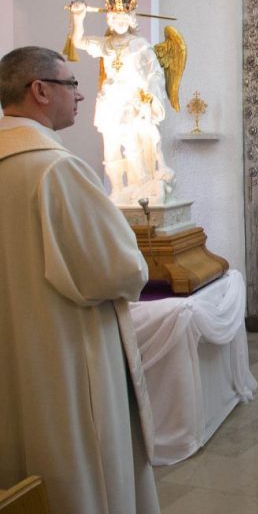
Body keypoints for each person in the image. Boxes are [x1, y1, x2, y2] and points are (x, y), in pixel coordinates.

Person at [0, 46, 159, 513]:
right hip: (66, 361)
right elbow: (121, 270)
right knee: (83, 474)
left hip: (13, 360)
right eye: (71, 84)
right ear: (40, 90)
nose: (80, 95)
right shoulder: (56, 168)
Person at [69, 0, 180, 206]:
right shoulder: (106, 44)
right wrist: (78, 17)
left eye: (123, 19)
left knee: (133, 142)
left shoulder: (140, 45)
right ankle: (118, 190)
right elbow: (78, 41)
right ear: (109, 20)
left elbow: (155, 73)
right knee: (110, 145)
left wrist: (149, 96)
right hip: (110, 100)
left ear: (131, 20)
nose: (119, 23)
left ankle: (143, 183)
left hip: (132, 101)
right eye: (115, 19)